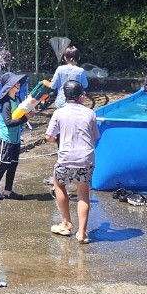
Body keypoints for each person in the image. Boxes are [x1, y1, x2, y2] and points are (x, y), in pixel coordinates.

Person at [46, 80, 99, 244]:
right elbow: (96, 136)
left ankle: (66, 223)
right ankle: (82, 233)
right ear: (81, 97)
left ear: (66, 96)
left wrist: (59, 142)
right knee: (83, 193)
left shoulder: (59, 113)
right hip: (85, 158)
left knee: (59, 184)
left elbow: (48, 137)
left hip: (66, 158)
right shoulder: (90, 113)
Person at [0, 72, 29, 200]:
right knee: (4, 164)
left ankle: (8, 190)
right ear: (9, 86)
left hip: (16, 138)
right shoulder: (6, 103)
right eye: (16, 82)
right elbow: (8, 122)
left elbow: (21, 115)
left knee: (13, 164)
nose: (18, 84)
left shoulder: (17, 100)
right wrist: (24, 119)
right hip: (7, 138)